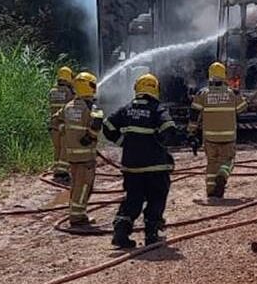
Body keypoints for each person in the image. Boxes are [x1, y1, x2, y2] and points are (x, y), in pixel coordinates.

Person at [102, 73, 179, 248]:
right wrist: (160, 143)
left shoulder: (127, 109)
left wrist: (124, 143)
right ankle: (151, 233)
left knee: (132, 198)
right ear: (155, 89)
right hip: (155, 167)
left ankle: (121, 232)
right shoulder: (157, 108)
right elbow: (169, 129)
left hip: (131, 166)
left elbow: (107, 126)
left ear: (137, 88)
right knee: (156, 197)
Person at [52, 71, 103, 230]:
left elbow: (55, 120)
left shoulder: (69, 106)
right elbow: (97, 122)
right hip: (86, 157)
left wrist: (65, 130)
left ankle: (77, 214)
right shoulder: (92, 107)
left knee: (76, 185)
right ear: (90, 87)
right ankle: (77, 217)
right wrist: (89, 137)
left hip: (72, 156)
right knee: (84, 187)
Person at [188, 61, 247, 198]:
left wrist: (191, 134)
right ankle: (223, 175)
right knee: (228, 161)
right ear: (224, 76)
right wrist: (238, 94)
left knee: (212, 163)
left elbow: (194, 115)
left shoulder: (202, 94)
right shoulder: (231, 93)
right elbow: (242, 109)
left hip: (210, 138)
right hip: (228, 137)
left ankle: (211, 190)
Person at [48, 66, 75, 182]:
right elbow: (72, 106)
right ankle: (62, 173)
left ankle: (56, 170)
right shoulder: (68, 92)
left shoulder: (52, 91)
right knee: (65, 149)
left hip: (53, 125)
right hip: (64, 126)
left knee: (57, 149)